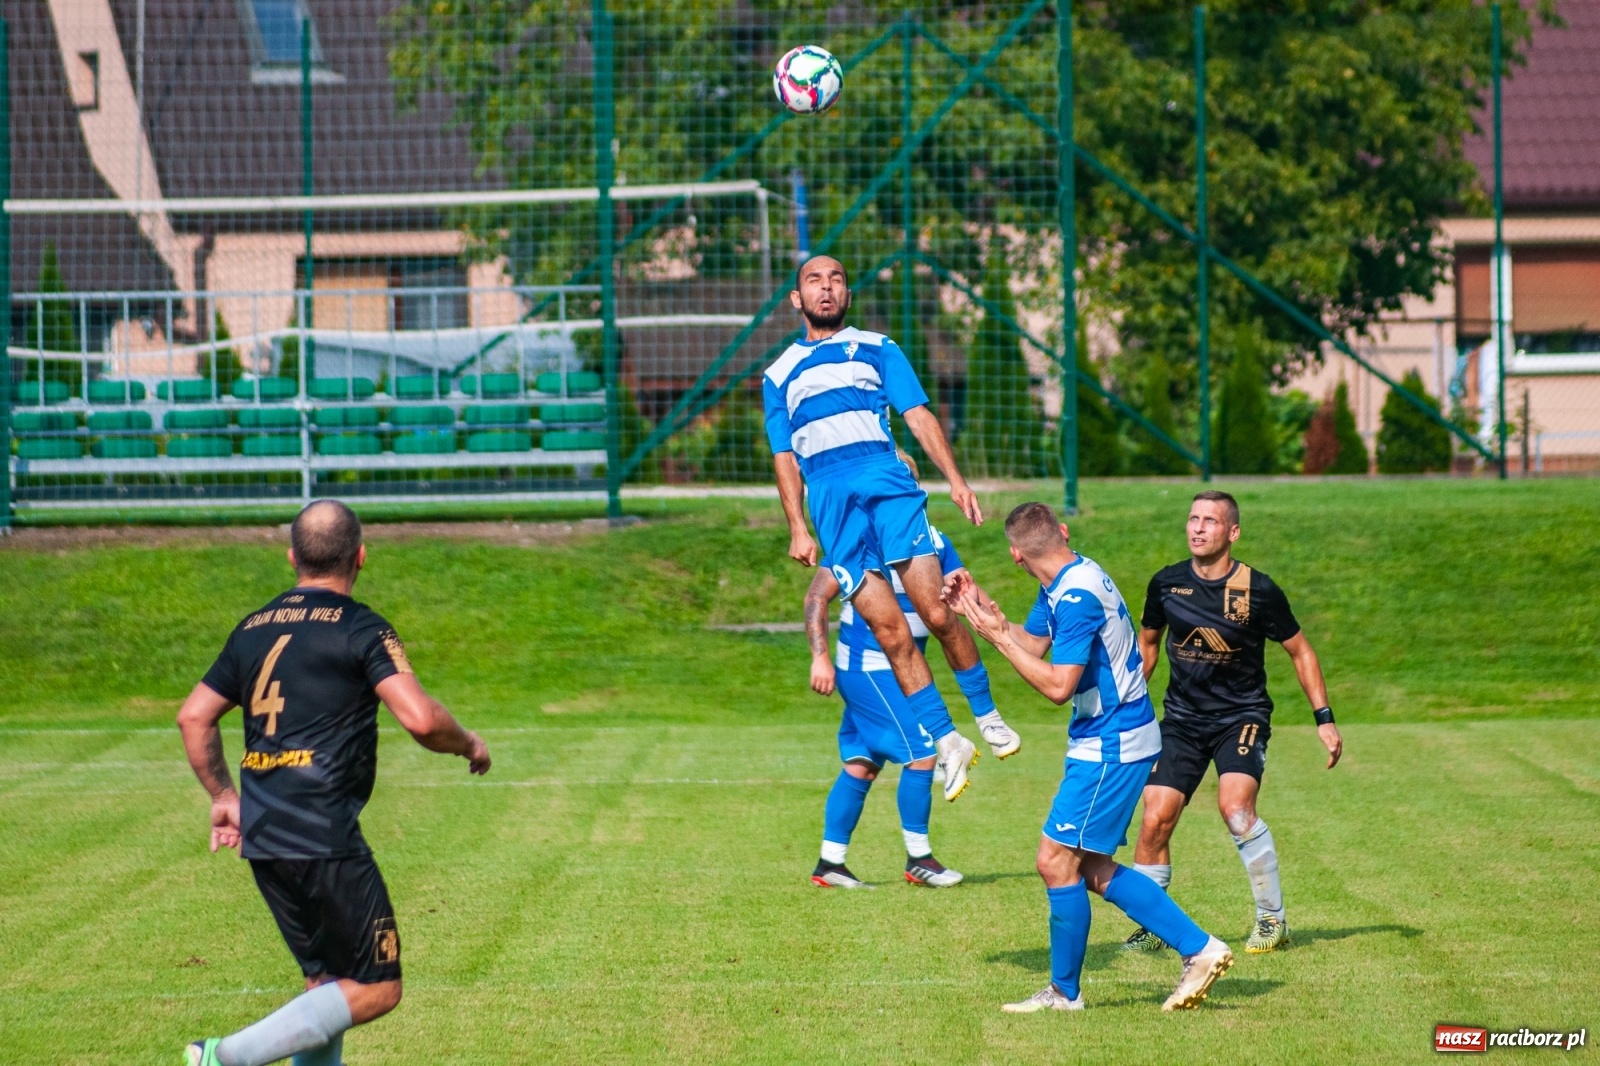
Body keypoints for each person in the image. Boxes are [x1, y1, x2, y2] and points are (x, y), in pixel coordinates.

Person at [177, 500, 491, 1066]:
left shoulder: (252, 628)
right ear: (361, 557)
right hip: (323, 831)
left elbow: (193, 715)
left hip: (266, 833)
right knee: (377, 986)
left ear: (292, 557)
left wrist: (225, 797)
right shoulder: (361, 628)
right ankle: (224, 1057)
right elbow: (420, 719)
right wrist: (469, 742)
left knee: (325, 984)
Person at [946, 503, 1232, 1013]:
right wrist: (976, 606)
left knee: (1054, 860)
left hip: (1111, 744)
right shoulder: (1069, 576)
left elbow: (1058, 685)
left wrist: (993, 640)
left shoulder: (1074, 597)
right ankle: (1198, 950)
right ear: (1062, 532)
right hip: (1110, 739)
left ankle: (1067, 992)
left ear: (1015, 554)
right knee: (1091, 867)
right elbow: (1032, 641)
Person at [764, 255, 1020, 801]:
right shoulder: (778, 373)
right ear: (796, 299)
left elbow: (918, 415)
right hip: (831, 502)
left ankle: (989, 715)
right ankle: (950, 741)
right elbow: (784, 455)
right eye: (814, 280)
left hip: (886, 483)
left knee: (934, 611)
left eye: (835, 280)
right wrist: (797, 527)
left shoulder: (879, 348)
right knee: (890, 632)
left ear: (848, 295)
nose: (826, 288)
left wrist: (956, 479)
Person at [1122, 490, 1343, 955]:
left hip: (1240, 718)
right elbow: (1148, 645)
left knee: (1236, 810)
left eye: (1211, 521)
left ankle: (1272, 920)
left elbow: (1300, 651)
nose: (1198, 528)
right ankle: (1154, 925)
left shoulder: (1258, 590)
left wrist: (1323, 718)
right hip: (1181, 720)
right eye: (1193, 519)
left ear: (1233, 532)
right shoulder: (1166, 584)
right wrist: (1128, 702)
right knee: (1155, 818)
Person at [805, 458, 976, 888]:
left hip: (899, 672)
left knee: (862, 763)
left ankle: (831, 862)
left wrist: (986, 617)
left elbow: (957, 592)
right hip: (870, 668)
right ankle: (920, 859)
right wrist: (818, 656)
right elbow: (815, 597)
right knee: (924, 753)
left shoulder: (934, 541)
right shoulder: (856, 537)